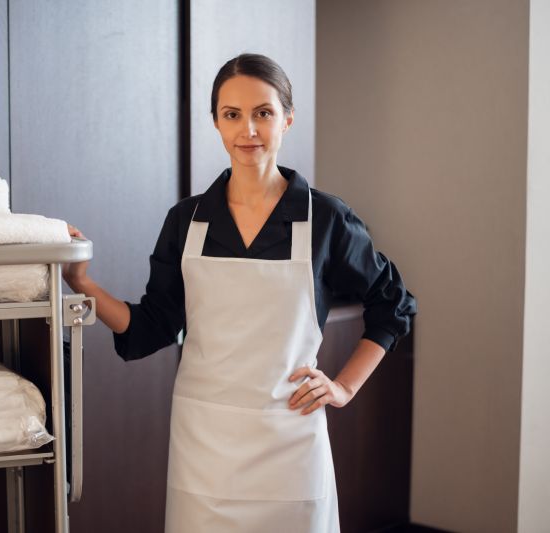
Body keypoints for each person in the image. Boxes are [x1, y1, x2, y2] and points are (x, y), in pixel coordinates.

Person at [63, 53, 416, 533]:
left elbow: (392, 304)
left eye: (263, 113)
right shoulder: (185, 221)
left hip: (291, 442)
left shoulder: (325, 219)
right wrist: (82, 283)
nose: (248, 129)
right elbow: (152, 327)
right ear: (216, 122)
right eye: (232, 115)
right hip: (205, 449)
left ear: (287, 119)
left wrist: (344, 387)